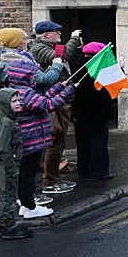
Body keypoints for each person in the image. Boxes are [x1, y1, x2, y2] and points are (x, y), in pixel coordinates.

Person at [2, 27, 76, 220]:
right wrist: (65, 91)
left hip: (34, 136)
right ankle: (28, 206)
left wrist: (61, 86)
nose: (35, 74)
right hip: (30, 136)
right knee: (27, 172)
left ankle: (27, 203)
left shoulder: (25, 88)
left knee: (29, 170)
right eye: (32, 73)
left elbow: (43, 91)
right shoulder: (23, 93)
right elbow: (46, 103)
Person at [30, 20, 81, 195]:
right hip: (52, 100)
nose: (60, 34)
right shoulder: (38, 48)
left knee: (58, 143)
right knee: (55, 141)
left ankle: (53, 178)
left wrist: (77, 47)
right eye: (56, 32)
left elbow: (69, 59)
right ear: (46, 35)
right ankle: (50, 181)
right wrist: (73, 39)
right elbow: (60, 56)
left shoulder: (47, 45)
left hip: (60, 99)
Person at [72, 42, 115, 180]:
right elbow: (109, 89)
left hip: (80, 110)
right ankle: (98, 171)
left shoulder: (76, 66)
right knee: (98, 140)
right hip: (98, 110)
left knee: (82, 141)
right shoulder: (100, 69)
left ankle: (83, 170)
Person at [0, 88, 31, 239]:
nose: (17, 103)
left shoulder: (7, 119)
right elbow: (3, 149)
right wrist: (12, 168)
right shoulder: (7, 123)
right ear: (4, 104)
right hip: (7, 166)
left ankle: (8, 222)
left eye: (18, 100)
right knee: (8, 196)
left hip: (8, 165)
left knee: (9, 194)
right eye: (13, 101)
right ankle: (7, 225)